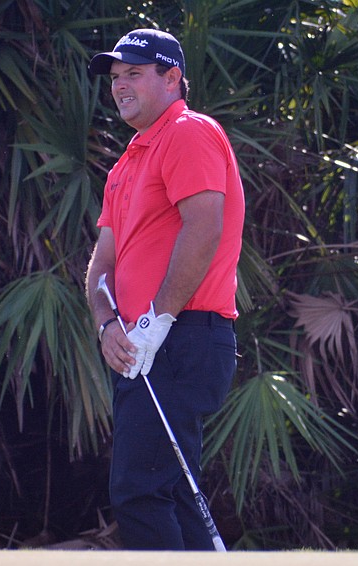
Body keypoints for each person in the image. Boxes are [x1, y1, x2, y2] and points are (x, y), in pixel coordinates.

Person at [84, 28, 245, 550]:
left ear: (172, 77)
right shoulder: (126, 162)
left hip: (180, 336)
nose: (120, 86)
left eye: (134, 73)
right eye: (115, 77)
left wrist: (157, 320)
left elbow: (204, 228)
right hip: (143, 344)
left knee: (139, 490)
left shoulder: (188, 132)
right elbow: (100, 269)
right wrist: (108, 323)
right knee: (172, 492)